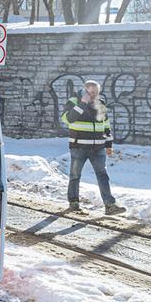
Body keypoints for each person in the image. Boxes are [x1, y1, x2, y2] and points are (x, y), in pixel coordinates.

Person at [61, 80, 124, 215]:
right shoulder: (73, 101)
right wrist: (82, 103)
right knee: (75, 175)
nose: (93, 94)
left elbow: (106, 125)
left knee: (102, 175)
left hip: (98, 148)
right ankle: (73, 202)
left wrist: (108, 144)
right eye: (91, 92)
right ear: (85, 90)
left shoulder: (100, 103)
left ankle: (110, 205)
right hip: (79, 147)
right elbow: (68, 119)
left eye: (96, 92)